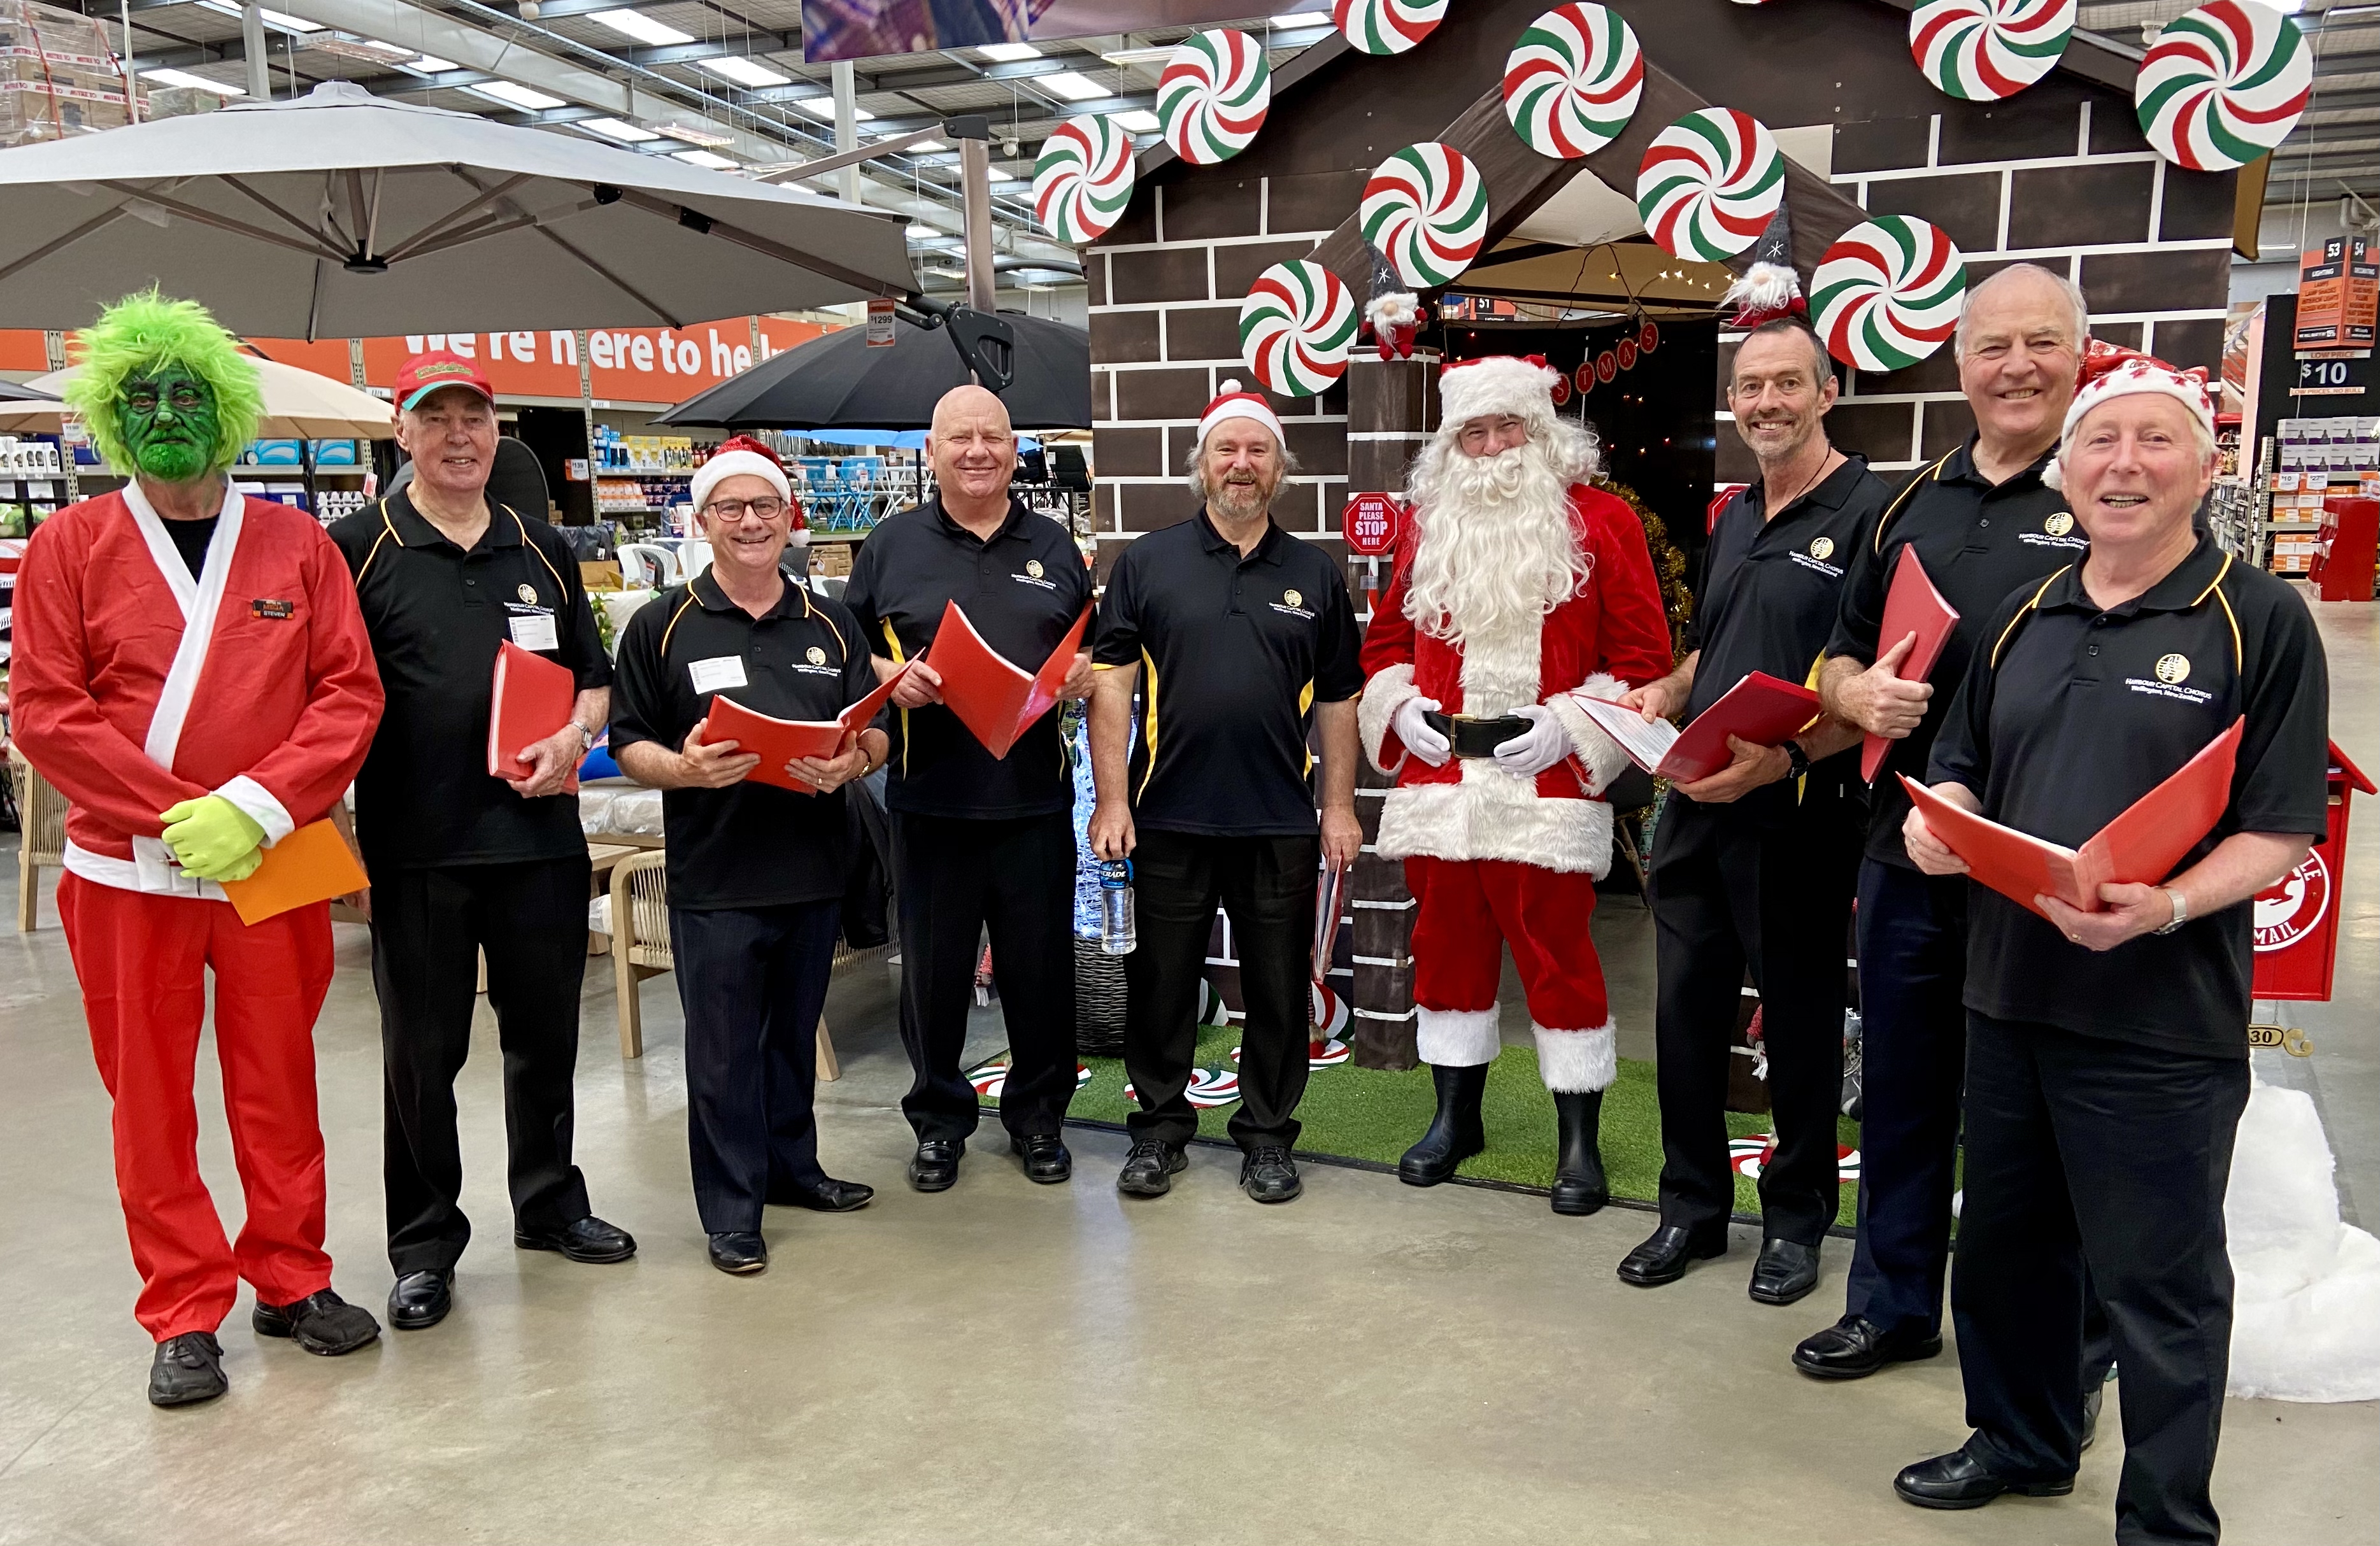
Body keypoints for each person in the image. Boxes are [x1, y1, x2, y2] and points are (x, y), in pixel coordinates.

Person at [1892, 347, 2328, 1545]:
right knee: (2003, 1256)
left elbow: (2282, 828)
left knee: (2160, 1291)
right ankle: (2022, 1439)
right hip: (2009, 992)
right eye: (2100, 442)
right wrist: (1946, 828)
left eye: (2153, 441)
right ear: (2067, 469)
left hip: (2158, 1019)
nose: (2121, 464)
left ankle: (2166, 1520)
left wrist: (2169, 903)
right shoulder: (2027, 610)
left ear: (2200, 466)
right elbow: (1963, 763)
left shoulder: (2261, 619)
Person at [10, 292, 385, 1404]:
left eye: (187, 393)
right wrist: (179, 816)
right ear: (110, 416)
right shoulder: (67, 546)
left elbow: (347, 693)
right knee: (151, 1095)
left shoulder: (297, 541)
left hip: (274, 859)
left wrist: (260, 811)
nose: (167, 413)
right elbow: (45, 711)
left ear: (226, 411)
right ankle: (182, 1305)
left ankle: (291, 1272)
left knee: (280, 1079)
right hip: (127, 874)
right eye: (143, 396)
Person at [1795, 263, 2105, 1378]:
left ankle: (2047, 1349)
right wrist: (1853, 694)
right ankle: (1889, 1303)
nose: (2016, 366)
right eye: (1992, 346)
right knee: (1903, 1087)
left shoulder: (2107, 491)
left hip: (2048, 868)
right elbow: (1833, 656)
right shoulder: (1904, 502)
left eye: (2040, 343)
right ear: (1958, 362)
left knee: (2038, 1117)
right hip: (1905, 846)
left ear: (2080, 353)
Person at [327, 351, 634, 1335]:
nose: (460, 435)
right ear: (402, 433)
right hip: (417, 850)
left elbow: (594, 677)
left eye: (477, 417)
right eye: (438, 417)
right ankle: (423, 1246)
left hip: (538, 843)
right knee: (423, 1056)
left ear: (498, 431)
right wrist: (337, 840)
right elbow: (321, 699)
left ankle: (549, 1207)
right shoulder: (353, 549)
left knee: (545, 1041)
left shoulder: (540, 546)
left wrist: (578, 734)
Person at [1355, 354, 1672, 1213]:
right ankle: (1455, 1122)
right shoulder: (1426, 527)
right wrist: (1399, 709)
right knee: (1447, 957)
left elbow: (1643, 665)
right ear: (1451, 443)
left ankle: (1579, 1143)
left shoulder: (1602, 523)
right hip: (1440, 784)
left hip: (1547, 789)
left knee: (1559, 959)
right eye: (1475, 432)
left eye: (1508, 428)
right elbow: (1384, 647)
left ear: (1542, 434)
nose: (1493, 447)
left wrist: (1570, 726)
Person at [1611, 318, 1884, 1301]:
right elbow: (1714, 648)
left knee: (1801, 1026)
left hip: (1795, 817)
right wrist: (1666, 694)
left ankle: (1798, 1219)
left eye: (1785, 384)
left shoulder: (1872, 513)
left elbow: (1878, 686)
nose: (1763, 402)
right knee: (1682, 1020)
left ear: (1827, 391)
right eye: (1749, 386)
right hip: (1693, 810)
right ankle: (1689, 1209)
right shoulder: (1731, 515)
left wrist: (1785, 758)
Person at [610, 437, 888, 1275]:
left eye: (765, 506)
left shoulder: (829, 621)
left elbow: (871, 728)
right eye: (731, 508)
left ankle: (793, 1172)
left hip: (811, 870)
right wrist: (686, 769)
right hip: (717, 878)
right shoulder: (663, 627)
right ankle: (733, 1209)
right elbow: (628, 744)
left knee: (791, 1035)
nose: (750, 521)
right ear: (702, 521)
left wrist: (856, 761)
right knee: (723, 1050)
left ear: (788, 518)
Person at [1088, 383, 1364, 1204]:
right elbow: (1110, 687)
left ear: (1280, 469)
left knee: (1278, 987)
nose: (1240, 465)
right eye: (1225, 450)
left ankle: (1268, 1139)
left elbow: (1341, 700)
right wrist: (1111, 802)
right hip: (1166, 815)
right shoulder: (1145, 562)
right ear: (1200, 464)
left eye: (1257, 452)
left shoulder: (1315, 574)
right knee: (1160, 985)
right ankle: (1160, 1133)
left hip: (1279, 819)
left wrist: (1339, 808)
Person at [841, 385, 1094, 1191]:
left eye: (992, 437)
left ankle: (1038, 1119)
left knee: (1040, 972)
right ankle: (939, 1121)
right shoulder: (889, 546)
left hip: (1032, 800)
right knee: (933, 974)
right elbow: (848, 657)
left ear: (1015, 451)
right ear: (932, 450)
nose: (977, 450)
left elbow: (1087, 652)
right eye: (960, 438)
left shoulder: (1055, 547)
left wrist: (1080, 678)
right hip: (928, 800)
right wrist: (892, 675)